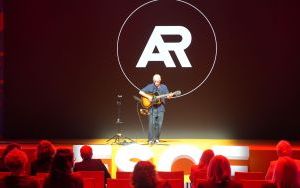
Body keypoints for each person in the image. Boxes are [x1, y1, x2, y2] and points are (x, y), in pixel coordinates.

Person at [139, 74, 173, 144]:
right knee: (151, 124)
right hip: (152, 108)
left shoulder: (164, 87)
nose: (157, 83)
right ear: (153, 81)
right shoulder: (150, 86)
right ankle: (150, 139)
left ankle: (157, 139)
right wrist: (148, 97)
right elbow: (140, 92)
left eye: (158, 81)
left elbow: (168, 96)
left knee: (159, 124)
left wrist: (169, 96)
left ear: (160, 80)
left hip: (161, 108)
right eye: (155, 81)